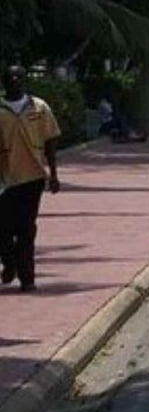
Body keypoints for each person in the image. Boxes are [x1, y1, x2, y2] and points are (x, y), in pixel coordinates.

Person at [0, 65, 62, 292]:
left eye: (19, 76)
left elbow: (50, 141)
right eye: (11, 76)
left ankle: (28, 278)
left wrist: (53, 174)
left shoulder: (39, 107)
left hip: (32, 178)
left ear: (26, 80)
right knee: (3, 229)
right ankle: (10, 263)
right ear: (4, 81)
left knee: (26, 229)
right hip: (5, 180)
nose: (15, 79)